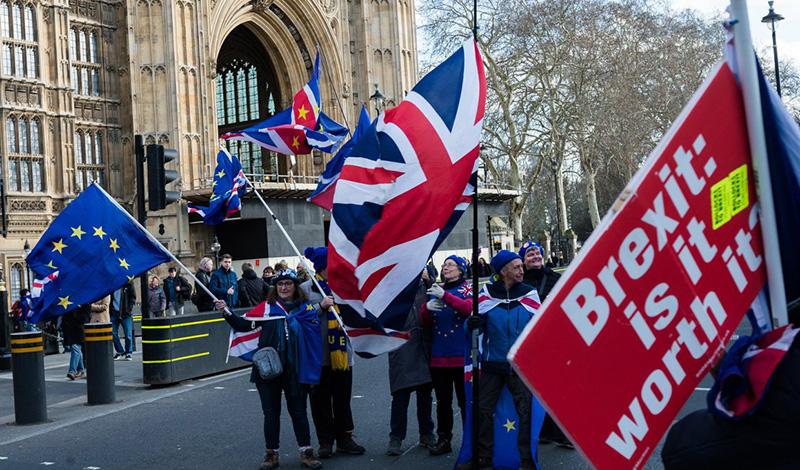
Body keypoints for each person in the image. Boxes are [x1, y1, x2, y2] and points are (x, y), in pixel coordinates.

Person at [219, 269, 330, 470]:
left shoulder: (305, 309)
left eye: (288, 283)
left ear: (295, 286)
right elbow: (243, 325)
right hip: (268, 370)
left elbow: (313, 333)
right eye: (280, 284)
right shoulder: (266, 309)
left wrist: (323, 305)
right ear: (275, 287)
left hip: (295, 370)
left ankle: (306, 452)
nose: (284, 287)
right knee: (271, 413)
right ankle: (271, 455)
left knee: (299, 412)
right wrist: (226, 311)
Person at [466, 250, 539, 469]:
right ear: (503, 271)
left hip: (520, 366)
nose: (521, 270)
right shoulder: (485, 296)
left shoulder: (530, 294)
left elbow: (541, 327)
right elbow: (471, 328)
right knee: (483, 411)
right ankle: (483, 457)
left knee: (525, 413)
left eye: (521, 266)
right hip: (492, 365)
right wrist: (472, 324)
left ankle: (526, 460)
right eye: (516, 266)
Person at [300, 246, 366, 458]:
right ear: (322, 266)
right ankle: (325, 441)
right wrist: (320, 306)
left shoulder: (346, 287)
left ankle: (345, 438)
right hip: (317, 357)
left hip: (342, 355)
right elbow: (298, 316)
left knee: (342, 399)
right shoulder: (305, 288)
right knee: (320, 402)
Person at [518, 241, 571, 448]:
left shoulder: (555, 278)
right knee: (532, 389)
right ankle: (542, 431)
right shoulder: (518, 283)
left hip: (553, 341)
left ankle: (561, 432)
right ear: (523, 260)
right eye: (529, 254)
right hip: (527, 342)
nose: (535, 256)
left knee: (555, 388)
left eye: (537, 253)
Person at [419, 255, 472, 456]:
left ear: (460, 269)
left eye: (450, 265)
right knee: (443, 402)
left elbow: (468, 309)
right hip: (440, 356)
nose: (446, 267)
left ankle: (471, 438)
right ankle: (444, 438)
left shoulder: (467, 288)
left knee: (465, 400)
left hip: (461, 356)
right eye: (445, 265)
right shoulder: (436, 289)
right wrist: (426, 307)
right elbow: (425, 322)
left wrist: (444, 296)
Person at [386, 266, 436, 456]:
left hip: (424, 345)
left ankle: (427, 433)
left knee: (425, 393)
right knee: (401, 395)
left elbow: (439, 297)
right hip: (402, 345)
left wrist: (428, 280)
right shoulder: (391, 288)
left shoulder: (424, 284)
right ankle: (396, 437)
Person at [62, 304, 90, 380]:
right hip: (70, 330)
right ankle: (81, 370)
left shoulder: (85, 302)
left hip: (79, 330)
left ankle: (72, 371)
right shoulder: (71, 301)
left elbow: (85, 318)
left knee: (75, 349)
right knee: (77, 350)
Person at [110, 281, 136, 360]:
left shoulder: (128, 283)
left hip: (125, 313)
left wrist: (129, 309)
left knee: (128, 334)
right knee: (113, 333)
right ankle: (120, 351)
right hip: (114, 312)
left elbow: (133, 296)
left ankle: (128, 352)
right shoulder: (112, 284)